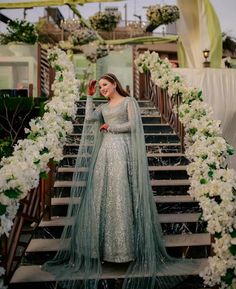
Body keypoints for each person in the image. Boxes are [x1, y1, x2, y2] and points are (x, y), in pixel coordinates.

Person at [43, 73, 198, 289]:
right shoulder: (104, 108)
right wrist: (88, 97)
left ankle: (124, 250)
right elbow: (89, 119)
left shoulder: (128, 102)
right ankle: (100, 249)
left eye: (105, 85)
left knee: (120, 193)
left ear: (115, 83)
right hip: (105, 153)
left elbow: (134, 125)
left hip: (122, 151)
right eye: (100, 87)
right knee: (101, 195)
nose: (102, 89)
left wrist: (111, 127)